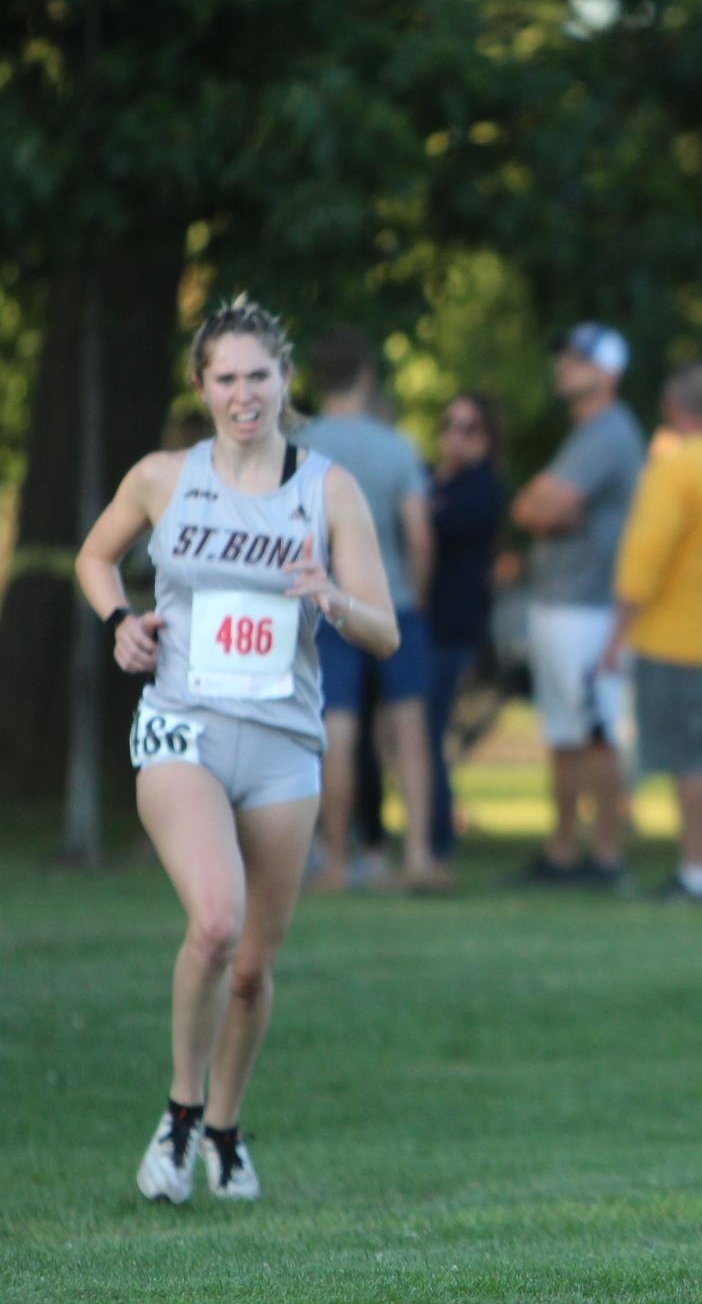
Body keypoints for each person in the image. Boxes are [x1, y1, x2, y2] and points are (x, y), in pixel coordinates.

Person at [74, 296, 401, 1203]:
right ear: (202, 384)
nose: (244, 392)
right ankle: (180, 1117)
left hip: (284, 743)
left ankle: (226, 1128)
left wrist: (329, 595)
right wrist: (119, 623)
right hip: (181, 723)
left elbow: (386, 633)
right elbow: (95, 558)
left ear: (286, 380)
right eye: (227, 377)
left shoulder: (326, 486)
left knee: (253, 965)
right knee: (214, 922)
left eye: (260, 375)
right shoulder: (162, 477)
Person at [295, 329, 442, 893]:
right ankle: (420, 856)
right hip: (395, 602)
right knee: (409, 731)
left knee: (337, 731)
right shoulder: (396, 446)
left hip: (326, 605)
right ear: (368, 376)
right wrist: (416, 596)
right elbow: (419, 533)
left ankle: (334, 860)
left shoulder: (301, 447)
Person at [602, 362, 702, 899]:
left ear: (673, 410)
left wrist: (617, 632)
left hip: (673, 633)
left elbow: (646, 554)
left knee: (686, 759)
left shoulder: (674, 468)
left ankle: (695, 870)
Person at [511, 323, 646, 886]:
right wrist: (547, 507)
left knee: (595, 731)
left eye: (578, 360)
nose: (565, 367)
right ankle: (565, 852)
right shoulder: (584, 433)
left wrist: (550, 508)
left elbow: (545, 509)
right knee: (564, 733)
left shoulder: (610, 432)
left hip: (589, 608)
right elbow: (529, 507)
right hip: (560, 603)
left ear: (607, 373)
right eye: (565, 357)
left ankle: (606, 856)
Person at [425, 391, 505, 864]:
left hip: (450, 630)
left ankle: (437, 839)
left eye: (469, 428)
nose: (455, 436)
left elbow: (439, 527)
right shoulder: (434, 482)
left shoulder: (479, 487)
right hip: (428, 627)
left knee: (429, 734)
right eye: (449, 424)